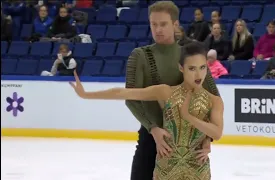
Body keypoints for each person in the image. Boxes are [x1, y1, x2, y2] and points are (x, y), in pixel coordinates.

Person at [69, 42, 224, 180]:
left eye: (202, 68)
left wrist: (189, 117)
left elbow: (217, 133)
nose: (198, 74)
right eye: (192, 68)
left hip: (198, 169)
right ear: (181, 68)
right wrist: (86, 95)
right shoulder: (166, 92)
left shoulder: (214, 101)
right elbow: (124, 93)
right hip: (167, 168)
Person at [125, 1, 221, 180]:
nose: (158, 29)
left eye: (163, 24)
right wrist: (153, 128)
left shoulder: (190, 54)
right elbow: (130, 98)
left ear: (175, 24)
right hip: (151, 138)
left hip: (189, 143)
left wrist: (207, 137)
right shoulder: (139, 55)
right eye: (154, 24)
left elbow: (213, 98)